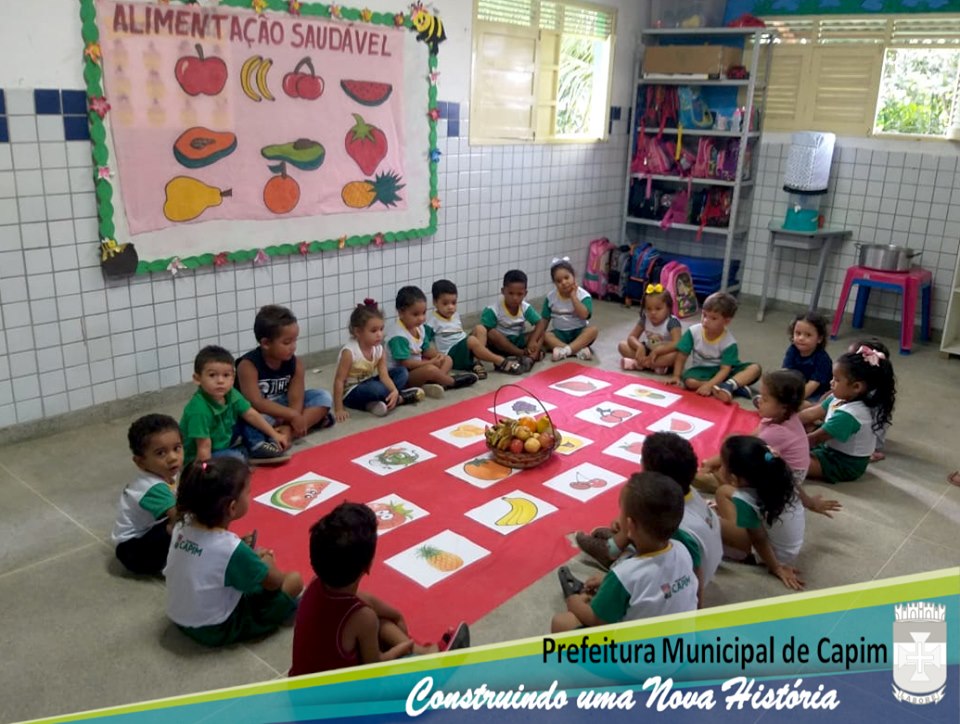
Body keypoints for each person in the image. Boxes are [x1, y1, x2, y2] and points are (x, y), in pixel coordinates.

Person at [290, 502, 469, 675]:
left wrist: (396, 615)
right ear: (367, 566)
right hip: (335, 694)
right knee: (398, 659)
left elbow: (366, 601)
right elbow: (375, 669)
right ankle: (425, 665)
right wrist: (401, 649)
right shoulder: (363, 618)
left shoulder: (316, 583)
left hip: (300, 683)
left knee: (382, 622)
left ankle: (425, 653)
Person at [164, 457, 303, 646]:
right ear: (232, 507)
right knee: (294, 580)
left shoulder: (182, 525)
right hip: (215, 628)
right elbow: (274, 582)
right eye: (248, 492)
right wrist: (267, 560)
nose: (250, 495)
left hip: (178, 616)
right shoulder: (230, 548)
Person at [574, 433, 720, 608]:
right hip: (702, 564)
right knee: (640, 518)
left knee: (638, 523)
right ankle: (619, 539)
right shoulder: (685, 494)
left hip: (679, 580)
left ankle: (611, 551)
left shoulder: (668, 519)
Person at [551, 472, 697, 632]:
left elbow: (598, 620)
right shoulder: (682, 550)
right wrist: (610, 584)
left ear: (630, 526)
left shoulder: (624, 575)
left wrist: (574, 603)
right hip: (683, 640)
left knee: (561, 622)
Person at [699, 369, 840, 517]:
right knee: (732, 446)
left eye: (765, 399)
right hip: (783, 470)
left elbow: (744, 451)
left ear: (783, 407)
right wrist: (714, 461)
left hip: (784, 482)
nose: (759, 401)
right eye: (760, 396)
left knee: (726, 472)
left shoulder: (777, 433)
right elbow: (751, 437)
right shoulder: (778, 417)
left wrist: (715, 464)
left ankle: (728, 489)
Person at [236, 305, 334, 457]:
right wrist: (293, 416)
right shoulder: (248, 365)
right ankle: (270, 439)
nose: (293, 347)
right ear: (266, 343)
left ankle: (286, 433)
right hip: (260, 412)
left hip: (284, 407)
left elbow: (296, 398)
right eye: (287, 343)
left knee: (323, 397)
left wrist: (292, 417)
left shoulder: (296, 364)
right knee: (247, 421)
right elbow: (256, 402)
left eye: (295, 341)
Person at [714, 436, 806, 590]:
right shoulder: (781, 476)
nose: (719, 469)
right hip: (787, 548)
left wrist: (776, 568)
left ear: (735, 478)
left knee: (709, 520)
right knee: (723, 491)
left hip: (772, 553)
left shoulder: (744, 499)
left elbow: (758, 539)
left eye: (722, 465)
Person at [801, 345, 896, 484]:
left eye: (836, 380)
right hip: (828, 447)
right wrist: (784, 419)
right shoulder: (838, 397)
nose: (831, 382)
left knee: (791, 462)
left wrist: (782, 443)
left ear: (856, 387)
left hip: (844, 463)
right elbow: (810, 414)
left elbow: (813, 439)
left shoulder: (850, 415)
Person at [180, 345, 288, 465]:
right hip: (200, 457)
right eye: (212, 375)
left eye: (226, 375)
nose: (220, 381)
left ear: (233, 378)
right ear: (197, 379)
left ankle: (256, 446)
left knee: (251, 416)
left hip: (222, 440)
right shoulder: (199, 410)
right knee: (237, 459)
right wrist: (204, 471)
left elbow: (251, 414)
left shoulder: (231, 394)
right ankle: (245, 453)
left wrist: (275, 434)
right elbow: (203, 449)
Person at [111, 414, 183, 575]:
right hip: (133, 551)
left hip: (147, 534)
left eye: (177, 448)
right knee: (182, 524)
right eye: (161, 453)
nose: (173, 458)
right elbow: (180, 516)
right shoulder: (152, 487)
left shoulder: (165, 472)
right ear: (140, 462)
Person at [333, 299, 423, 420]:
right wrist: (338, 408)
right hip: (352, 392)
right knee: (376, 388)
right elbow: (339, 381)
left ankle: (379, 402)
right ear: (358, 332)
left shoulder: (379, 350)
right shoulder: (349, 352)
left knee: (402, 372)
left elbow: (384, 376)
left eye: (381, 329)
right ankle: (400, 399)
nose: (379, 334)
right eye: (373, 331)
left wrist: (394, 390)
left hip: (370, 383)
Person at [667, 292, 761, 403]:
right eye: (704, 315)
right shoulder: (693, 331)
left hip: (726, 371)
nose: (706, 320)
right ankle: (732, 386)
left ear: (726, 321)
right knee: (689, 382)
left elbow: (725, 369)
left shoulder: (729, 342)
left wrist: (708, 386)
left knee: (755, 368)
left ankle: (728, 385)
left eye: (713, 318)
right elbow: (682, 355)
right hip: (702, 371)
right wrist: (676, 376)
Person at [387, 286, 478, 396]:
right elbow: (406, 363)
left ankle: (437, 382)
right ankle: (452, 382)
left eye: (423, 313)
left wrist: (438, 356)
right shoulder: (398, 336)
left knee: (447, 359)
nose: (421, 318)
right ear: (401, 312)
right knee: (430, 369)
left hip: (418, 366)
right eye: (415, 314)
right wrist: (430, 362)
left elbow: (425, 349)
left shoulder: (419, 328)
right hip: (403, 375)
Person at [428, 279, 520, 377]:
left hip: (463, 347)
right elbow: (425, 345)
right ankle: (501, 361)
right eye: (445, 303)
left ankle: (476, 362)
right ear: (435, 302)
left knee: (480, 328)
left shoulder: (455, 315)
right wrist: (438, 358)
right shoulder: (432, 322)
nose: (450, 307)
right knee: (471, 340)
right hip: (452, 356)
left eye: (453, 303)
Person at [480, 269, 548, 372]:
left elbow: (540, 323)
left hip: (519, 340)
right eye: (511, 293)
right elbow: (485, 332)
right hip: (501, 345)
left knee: (541, 334)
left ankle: (530, 359)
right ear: (503, 291)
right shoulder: (493, 310)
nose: (515, 298)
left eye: (519, 294)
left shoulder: (525, 307)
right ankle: (521, 354)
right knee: (492, 333)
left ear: (525, 293)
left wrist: (533, 340)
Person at [542, 257, 599, 362]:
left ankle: (564, 351)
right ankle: (577, 351)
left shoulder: (584, 295)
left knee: (593, 330)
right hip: (559, 335)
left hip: (579, 334)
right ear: (554, 283)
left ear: (574, 276)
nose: (564, 282)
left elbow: (584, 315)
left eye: (566, 278)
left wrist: (573, 297)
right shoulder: (550, 297)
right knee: (545, 335)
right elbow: (544, 320)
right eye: (559, 281)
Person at [619, 283, 682, 374]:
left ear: (668, 308)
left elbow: (678, 343)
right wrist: (639, 347)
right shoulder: (645, 319)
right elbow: (631, 337)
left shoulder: (672, 322)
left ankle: (639, 363)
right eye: (649, 309)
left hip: (664, 353)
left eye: (658, 309)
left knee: (676, 355)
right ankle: (655, 366)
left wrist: (658, 351)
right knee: (622, 345)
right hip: (648, 350)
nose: (653, 312)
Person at [848, 338, 893, 462]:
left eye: (851, 359)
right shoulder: (856, 383)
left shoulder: (875, 394)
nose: (846, 362)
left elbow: (878, 426)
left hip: (869, 438)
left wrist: (871, 448)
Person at [783, 312, 832, 403]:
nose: (801, 338)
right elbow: (786, 372)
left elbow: (814, 383)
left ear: (819, 339)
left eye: (808, 335)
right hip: (796, 388)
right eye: (798, 333)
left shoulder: (822, 359)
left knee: (803, 406)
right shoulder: (793, 349)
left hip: (817, 393)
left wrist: (795, 400)